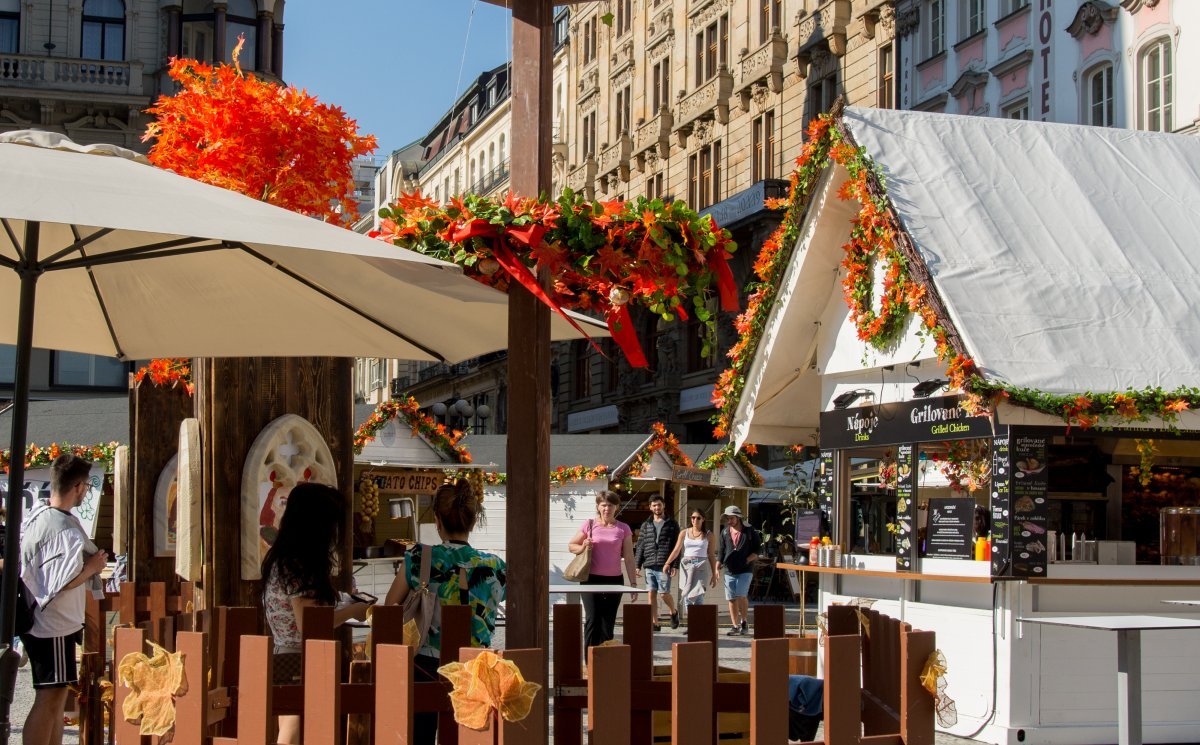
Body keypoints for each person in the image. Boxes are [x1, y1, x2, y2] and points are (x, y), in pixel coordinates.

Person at [385, 479, 505, 745]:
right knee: (469, 737)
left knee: (421, 736)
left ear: (437, 519)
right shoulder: (494, 566)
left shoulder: (418, 558)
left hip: (426, 666)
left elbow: (389, 608)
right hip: (476, 664)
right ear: (473, 521)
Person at [260, 482, 369, 745]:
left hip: (283, 655)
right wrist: (356, 609)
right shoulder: (299, 564)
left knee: (290, 727)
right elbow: (309, 624)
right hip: (300, 659)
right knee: (293, 732)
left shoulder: (280, 558)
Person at [19, 455, 108, 745]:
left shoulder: (42, 517)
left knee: (57, 697)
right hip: (52, 625)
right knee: (49, 696)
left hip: (52, 624)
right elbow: (56, 583)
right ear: (79, 487)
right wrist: (92, 569)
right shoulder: (62, 529)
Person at [567, 491, 636, 648]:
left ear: (616, 507)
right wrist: (584, 545)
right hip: (590, 579)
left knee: (608, 621)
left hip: (614, 580)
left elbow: (629, 558)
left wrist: (633, 583)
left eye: (610, 505)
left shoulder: (623, 528)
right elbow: (572, 546)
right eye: (604, 505)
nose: (607, 509)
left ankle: (605, 660)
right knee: (592, 618)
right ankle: (588, 660)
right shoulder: (589, 524)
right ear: (598, 506)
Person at [634, 496, 680, 630]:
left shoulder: (672, 523)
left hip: (664, 563)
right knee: (651, 594)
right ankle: (655, 623)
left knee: (664, 593)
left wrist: (675, 565)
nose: (657, 508)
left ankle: (673, 611)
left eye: (659, 505)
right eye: (654, 505)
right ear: (650, 507)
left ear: (664, 505)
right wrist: (637, 565)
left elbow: (676, 546)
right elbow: (641, 546)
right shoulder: (646, 524)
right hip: (649, 564)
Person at [716, 505, 759, 636]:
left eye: (732, 518)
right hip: (729, 569)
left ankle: (744, 621)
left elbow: (757, 551)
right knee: (731, 598)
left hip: (745, 569)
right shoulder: (724, 532)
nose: (729, 521)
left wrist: (746, 560)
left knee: (741, 594)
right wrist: (717, 566)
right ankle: (735, 625)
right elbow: (721, 552)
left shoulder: (749, 531)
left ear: (738, 517)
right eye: (727, 519)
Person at [664, 509, 718, 615]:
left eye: (698, 518)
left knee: (698, 594)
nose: (695, 520)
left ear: (703, 519)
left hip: (701, 565)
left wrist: (715, 573)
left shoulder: (709, 535)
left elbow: (711, 555)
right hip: (687, 565)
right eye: (693, 517)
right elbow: (676, 550)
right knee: (687, 594)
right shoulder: (684, 532)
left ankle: (698, 623)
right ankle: (691, 623)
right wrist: (667, 563)